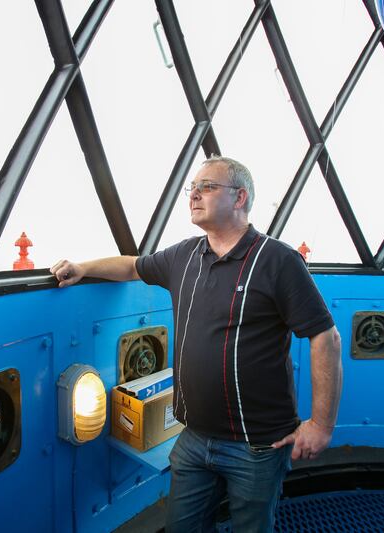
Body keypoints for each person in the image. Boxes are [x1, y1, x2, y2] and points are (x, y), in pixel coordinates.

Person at [51, 156, 342, 533]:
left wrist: (320, 425)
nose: (193, 195)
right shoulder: (183, 256)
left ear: (239, 198)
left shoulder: (277, 260)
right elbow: (131, 266)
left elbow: (325, 336)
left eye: (206, 186)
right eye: (192, 188)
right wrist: (83, 268)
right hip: (192, 437)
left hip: (257, 445)